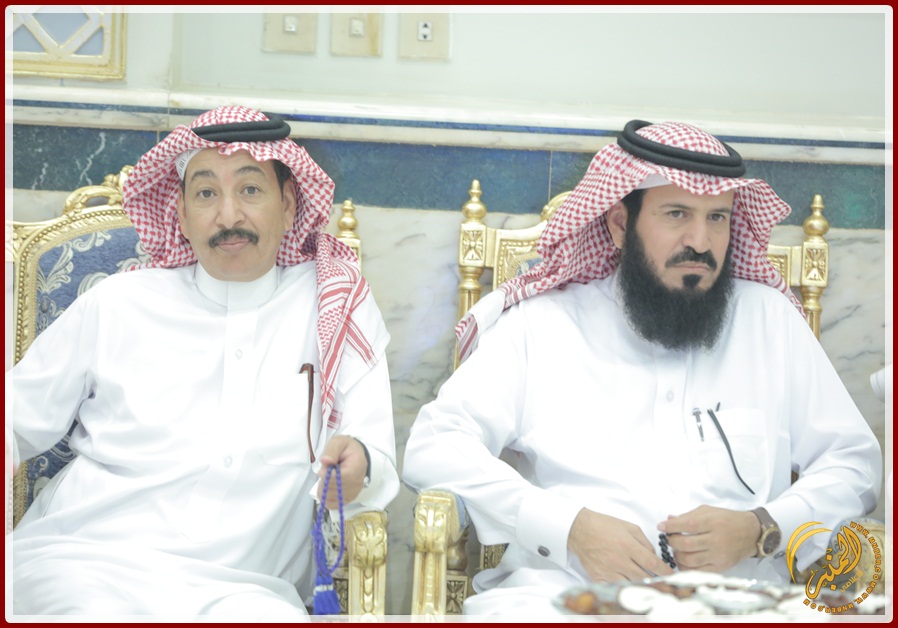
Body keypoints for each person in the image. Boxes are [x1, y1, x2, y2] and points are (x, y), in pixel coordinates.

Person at [402, 120, 882, 616]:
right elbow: (435, 447)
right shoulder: (541, 325)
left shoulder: (770, 321)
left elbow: (853, 463)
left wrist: (762, 527)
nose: (701, 241)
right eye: (677, 214)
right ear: (618, 224)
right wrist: (568, 528)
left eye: (717, 217)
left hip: (739, 603)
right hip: (564, 601)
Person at [7, 106, 399, 619]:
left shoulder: (334, 304)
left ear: (288, 203)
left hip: (244, 594)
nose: (228, 216)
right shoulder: (118, 303)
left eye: (250, 190)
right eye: (206, 193)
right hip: (83, 565)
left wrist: (358, 467)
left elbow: (373, 454)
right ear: (181, 213)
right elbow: (14, 418)